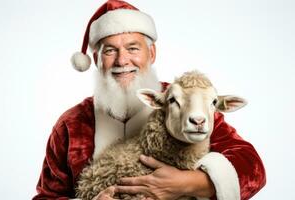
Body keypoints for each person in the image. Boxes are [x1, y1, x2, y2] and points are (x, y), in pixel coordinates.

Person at [33, 0, 266, 199]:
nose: (122, 60)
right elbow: (46, 196)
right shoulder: (71, 124)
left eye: (133, 48)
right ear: (96, 59)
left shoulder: (184, 102)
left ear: (151, 53)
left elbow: (251, 168)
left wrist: (186, 183)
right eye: (109, 50)